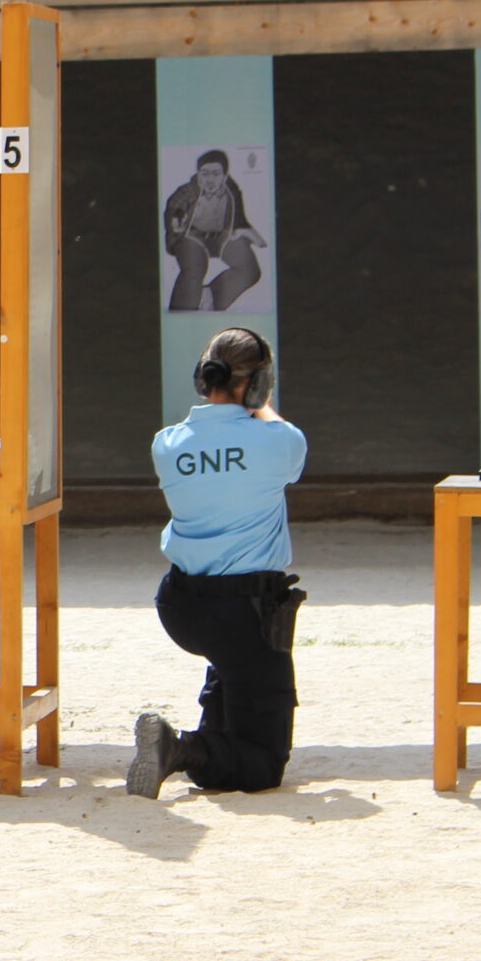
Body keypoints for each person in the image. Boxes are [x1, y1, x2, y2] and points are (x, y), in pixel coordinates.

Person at [130, 327, 309, 799]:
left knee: (234, 678)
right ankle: (178, 748)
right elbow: (274, 433)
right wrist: (260, 400)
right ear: (258, 385)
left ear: (201, 377)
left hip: (182, 606)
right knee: (263, 765)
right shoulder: (280, 440)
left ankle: (198, 745)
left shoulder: (167, 444)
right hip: (246, 613)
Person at [163, 149, 267, 312]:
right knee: (195, 267)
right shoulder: (188, 191)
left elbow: (239, 219)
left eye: (216, 174)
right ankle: (182, 312)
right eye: (204, 174)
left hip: (221, 237)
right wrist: (176, 221)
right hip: (192, 237)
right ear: (198, 174)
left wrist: (253, 237)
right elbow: (175, 207)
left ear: (225, 176)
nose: (210, 180)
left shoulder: (232, 192)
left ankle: (210, 297)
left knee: (249, 269)